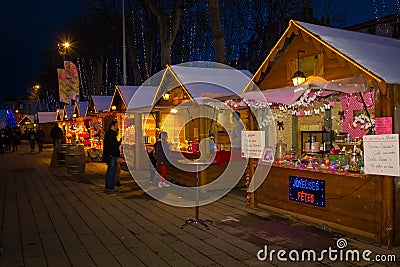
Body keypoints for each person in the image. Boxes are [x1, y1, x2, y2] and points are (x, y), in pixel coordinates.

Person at [103, 121, 121, 194]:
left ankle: (108, 187)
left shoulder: (108, 134)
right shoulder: (111, 134)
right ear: (112, 126)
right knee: (112, 171)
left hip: (109, 155)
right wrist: (119, 142)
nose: (117, 127)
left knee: (110, 171)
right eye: (116, 126)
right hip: (112, 155)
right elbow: (113, 146)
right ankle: (110, 187)